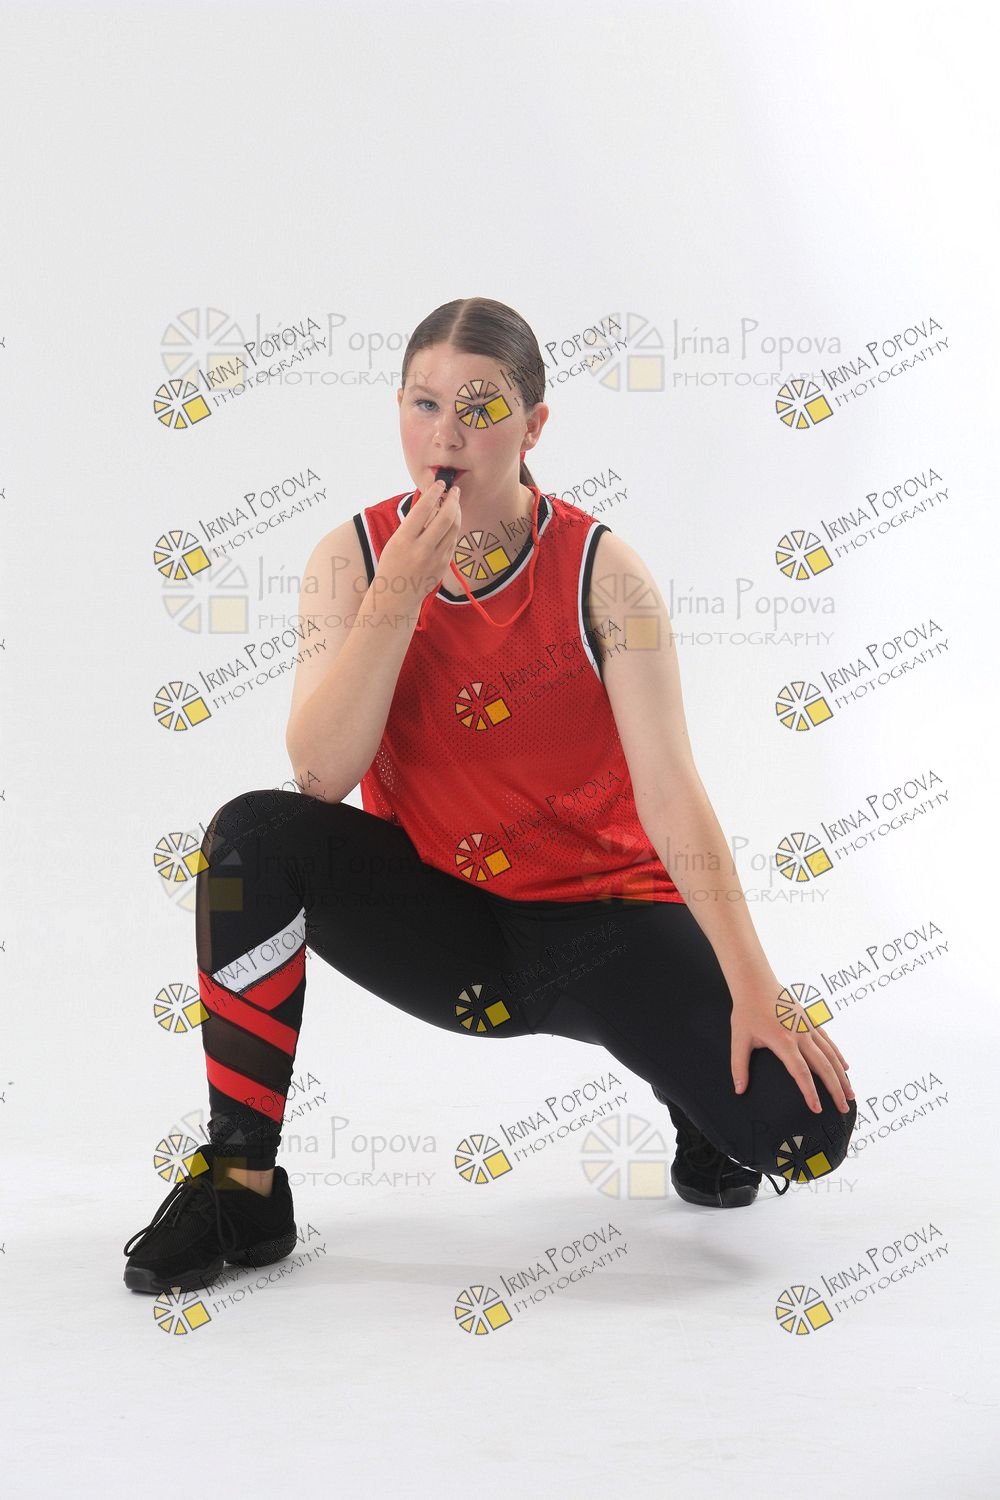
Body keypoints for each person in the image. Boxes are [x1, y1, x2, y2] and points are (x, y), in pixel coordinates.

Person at [123, 297, 857, 1295]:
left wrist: (755, 987)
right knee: (252, 837)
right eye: (424, 404)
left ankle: (689, 1097)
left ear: (534, 425)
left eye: (480, 407)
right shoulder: (351, 560)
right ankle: (243, 1190)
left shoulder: (605, 574)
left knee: (806, 1130)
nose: (447, 435)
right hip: (449, 924)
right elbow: (322, 776)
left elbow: (672, 792)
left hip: (605, 920)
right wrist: (398, 595)